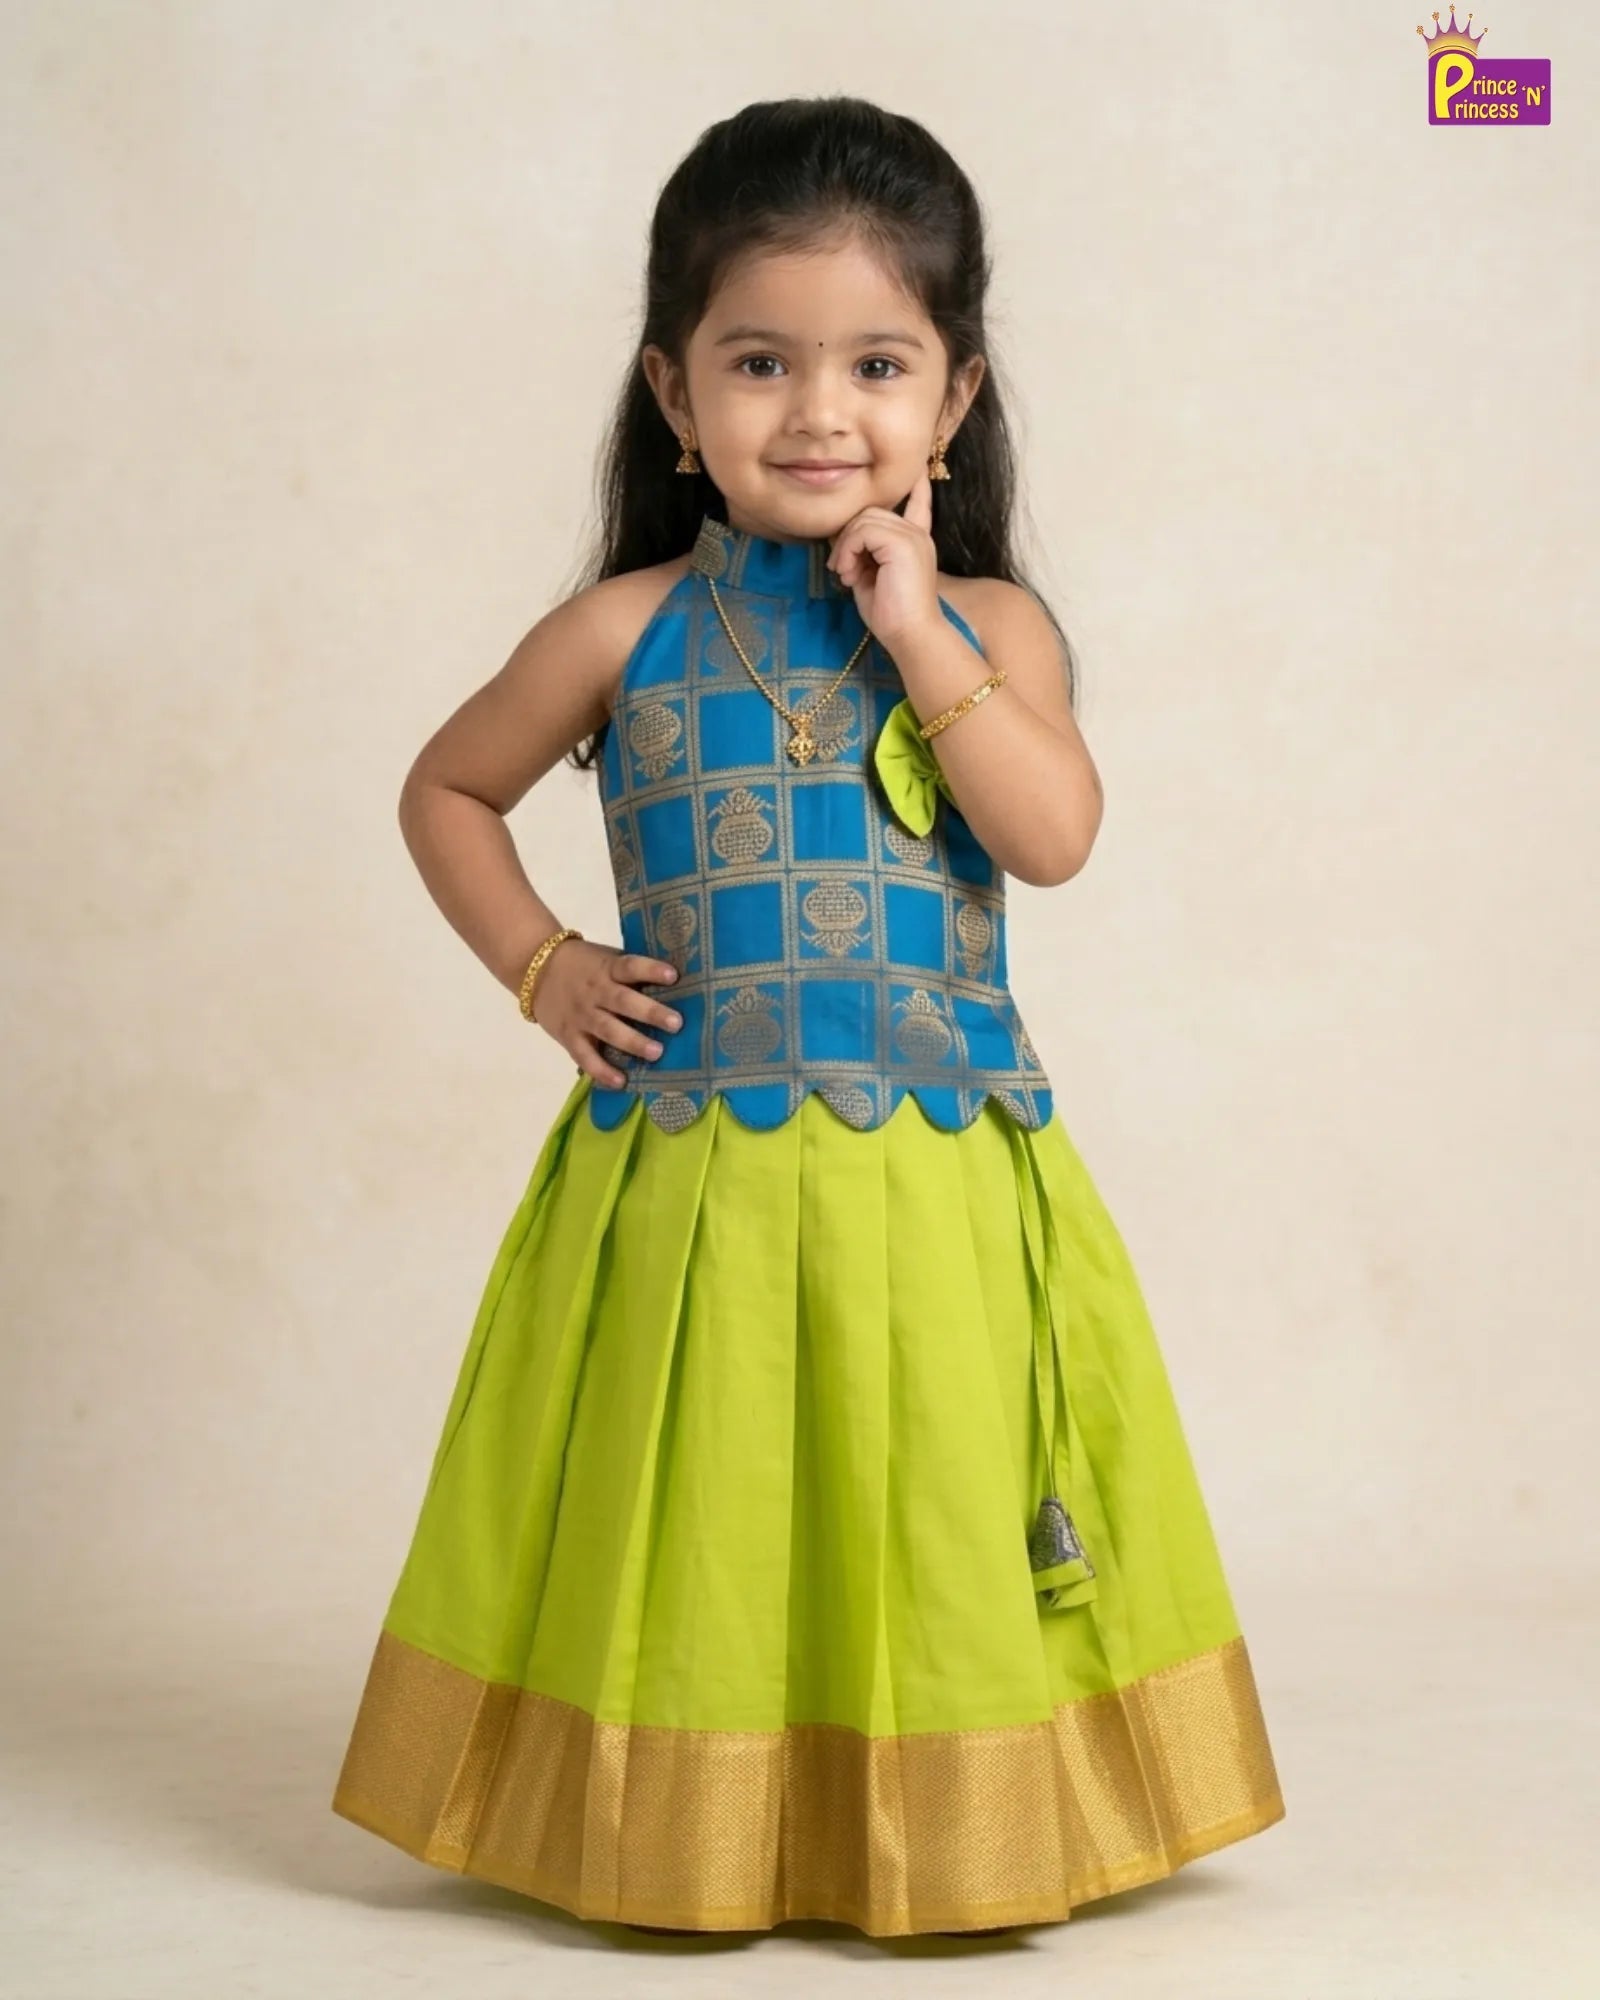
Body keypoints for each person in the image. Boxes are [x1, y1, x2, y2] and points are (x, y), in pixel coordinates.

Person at [329, 93, 1285, 1942]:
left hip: (933, 1195)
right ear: (675, 398)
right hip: (692, 1189)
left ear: (957, 397)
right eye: (759, 362)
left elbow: (1055, 835)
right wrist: (546, 968)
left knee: (919, 1515)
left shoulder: (994, 622)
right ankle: (699, 1835)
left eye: (875, 364)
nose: (819, 413)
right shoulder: (615, 634)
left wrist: (923, 630)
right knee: (703, 1516)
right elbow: (445, 791)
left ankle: (941, 1836)